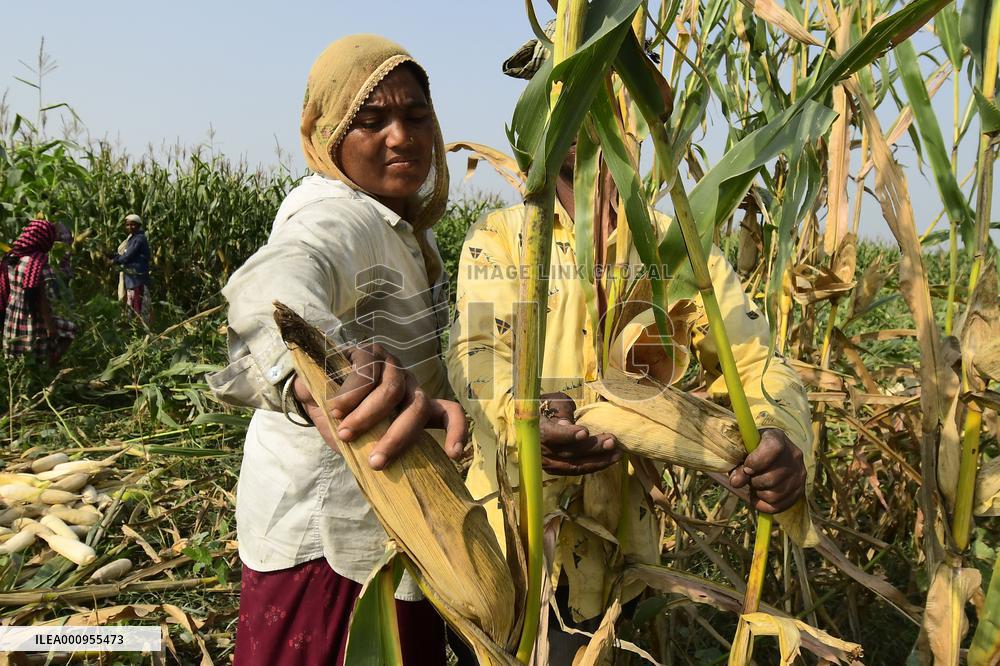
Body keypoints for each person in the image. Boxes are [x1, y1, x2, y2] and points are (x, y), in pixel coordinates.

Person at [448, 157, 813, 659]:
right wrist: (523, 417)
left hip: (621, 560)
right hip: (503, 546)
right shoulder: (502, 237)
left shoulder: (679, 249)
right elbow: (476, 348)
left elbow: (753, 362)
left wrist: (781, 429)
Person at [207, 35, 469, 666]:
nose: (401, 137)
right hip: (331, 553)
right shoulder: (335, 214)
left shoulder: (402, 231)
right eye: (371, 121)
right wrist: (322, 368)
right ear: (327, 135)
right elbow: (282, 278)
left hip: (398, 531)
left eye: (416, 117)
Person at [1, 218, 77, 366]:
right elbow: (40, 298)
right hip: (32, 312)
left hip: (12, 311)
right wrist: (49, 325)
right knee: (70, 330)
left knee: (18, 349)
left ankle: (24, 376)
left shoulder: (12, 258)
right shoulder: (38, 263)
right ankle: (49, 368)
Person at [111, 213, 151, 322]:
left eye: (133, 225)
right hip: (132, 277)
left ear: (138, 225)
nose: (130, 227)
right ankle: (134, 326)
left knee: (138, 302)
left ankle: (139, 326)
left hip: (137, 277)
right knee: (132, 301)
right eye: (128, 225)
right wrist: (110, 254)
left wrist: (113, 261)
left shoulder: (139, 239)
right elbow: (125, 255)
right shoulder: (132, 238)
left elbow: (127, 256)